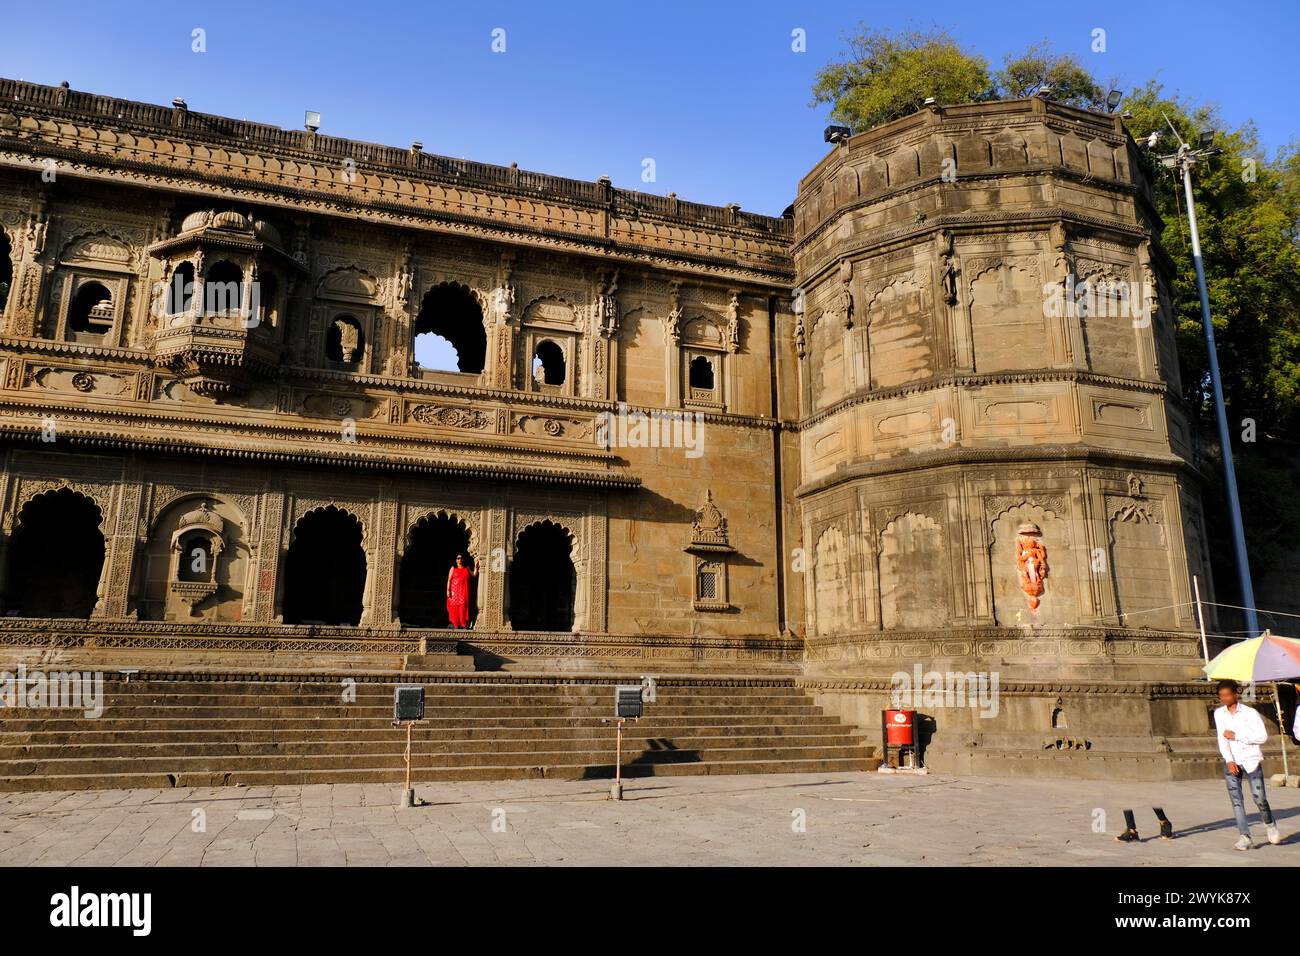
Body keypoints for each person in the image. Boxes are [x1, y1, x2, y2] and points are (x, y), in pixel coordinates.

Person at [1213, 679, 1280, 850]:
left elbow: (1261, 737)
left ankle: (1270, 823)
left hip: (1251, 759)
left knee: (1259, 798)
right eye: (1222, 696)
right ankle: (1245, 836)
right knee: (1237, 801)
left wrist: (1237, 735)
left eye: (1228, 695)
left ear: (1236, 694)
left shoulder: (1250, 713)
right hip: (1232, 760)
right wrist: (1228, 760)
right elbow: (1222, 739)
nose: (1225, 699)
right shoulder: (1219, 714)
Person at [445, 554, 477, 629]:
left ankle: (463, 624)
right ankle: (455, 624)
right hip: (454, 591)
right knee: (454, 607)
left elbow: (474, 574)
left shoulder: (467, 568)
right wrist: (448, 590)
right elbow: (449, 580)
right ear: (456, 560)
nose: (460, 559)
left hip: (463, 590)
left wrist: (476, 565)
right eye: (458, 558)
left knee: (463, 606)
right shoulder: (453, 568)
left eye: (461, 558)